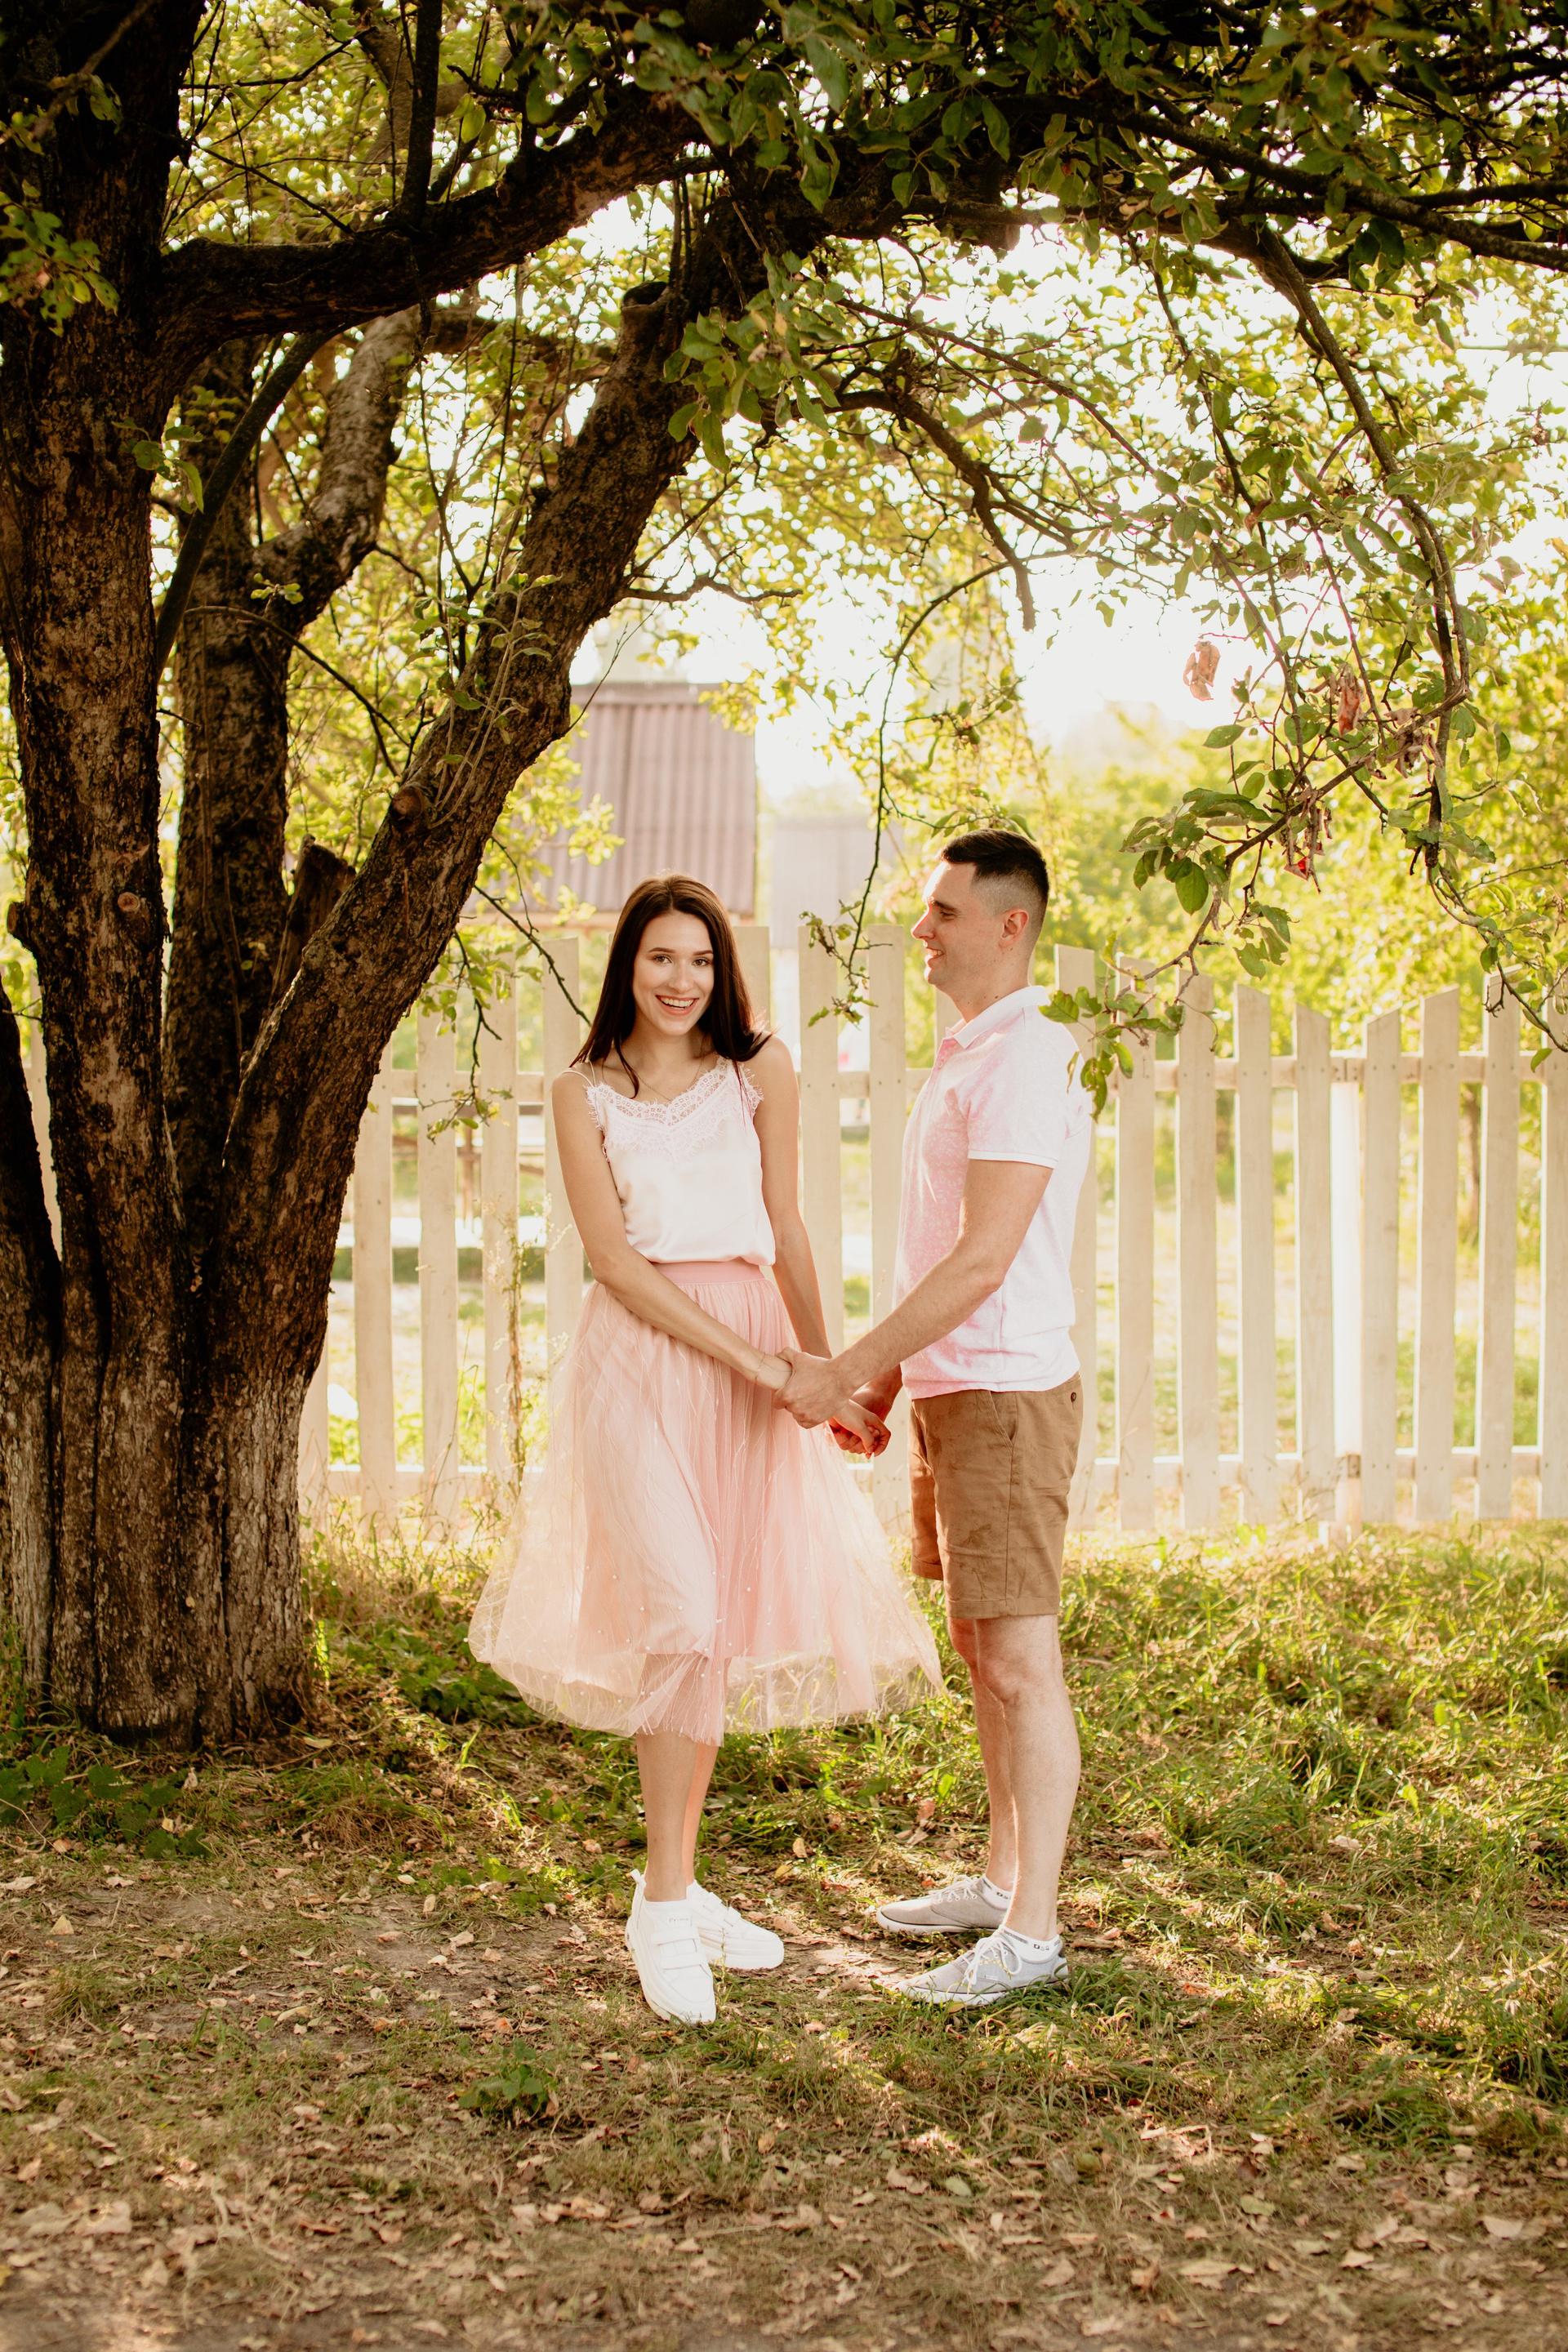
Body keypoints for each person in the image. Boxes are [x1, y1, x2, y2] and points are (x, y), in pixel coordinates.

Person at [469, 875, 940, 2028]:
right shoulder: (582, 1092)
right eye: (660, 958)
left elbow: (785, 1227)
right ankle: (668, 1909)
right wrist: (764, 1369)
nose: (681, 980)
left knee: (715, 1629)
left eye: (700, 960)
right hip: (644, 1360)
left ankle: (668, 1886)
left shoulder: (758, 1069)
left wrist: (826, 1376)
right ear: (626, 966)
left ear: (720, 971)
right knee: (680, 1613)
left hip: (760, 1349)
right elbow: (615, 1264)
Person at [777, 829, 1092, 2008]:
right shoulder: (974, 1054)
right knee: (980, 1646)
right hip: (960, 1390)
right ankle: (1003, 1879)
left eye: (944, 912)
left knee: (1019, 1657)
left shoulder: (1027, 1058)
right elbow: (939, 1258)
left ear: (1012, 925)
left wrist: (847, 1368)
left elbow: (984, 1259)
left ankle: (1033, 1935)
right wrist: (891, 1386)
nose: (922, 929)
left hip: (1006, 1395)